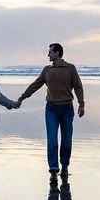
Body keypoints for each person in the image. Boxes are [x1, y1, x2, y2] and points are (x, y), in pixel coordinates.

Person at [15, 43, 85, 179]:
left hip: (67, 108)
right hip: (51, 109)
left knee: (66, 140)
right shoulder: (47, 70)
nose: (48, 55)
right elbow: (35, 85)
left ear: (58, 53)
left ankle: (64, 166)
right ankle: (53, 170)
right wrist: (22, 98)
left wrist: (81, 104)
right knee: (52, 140)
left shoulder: (70, 68)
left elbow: (78, 87)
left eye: (50, 52)